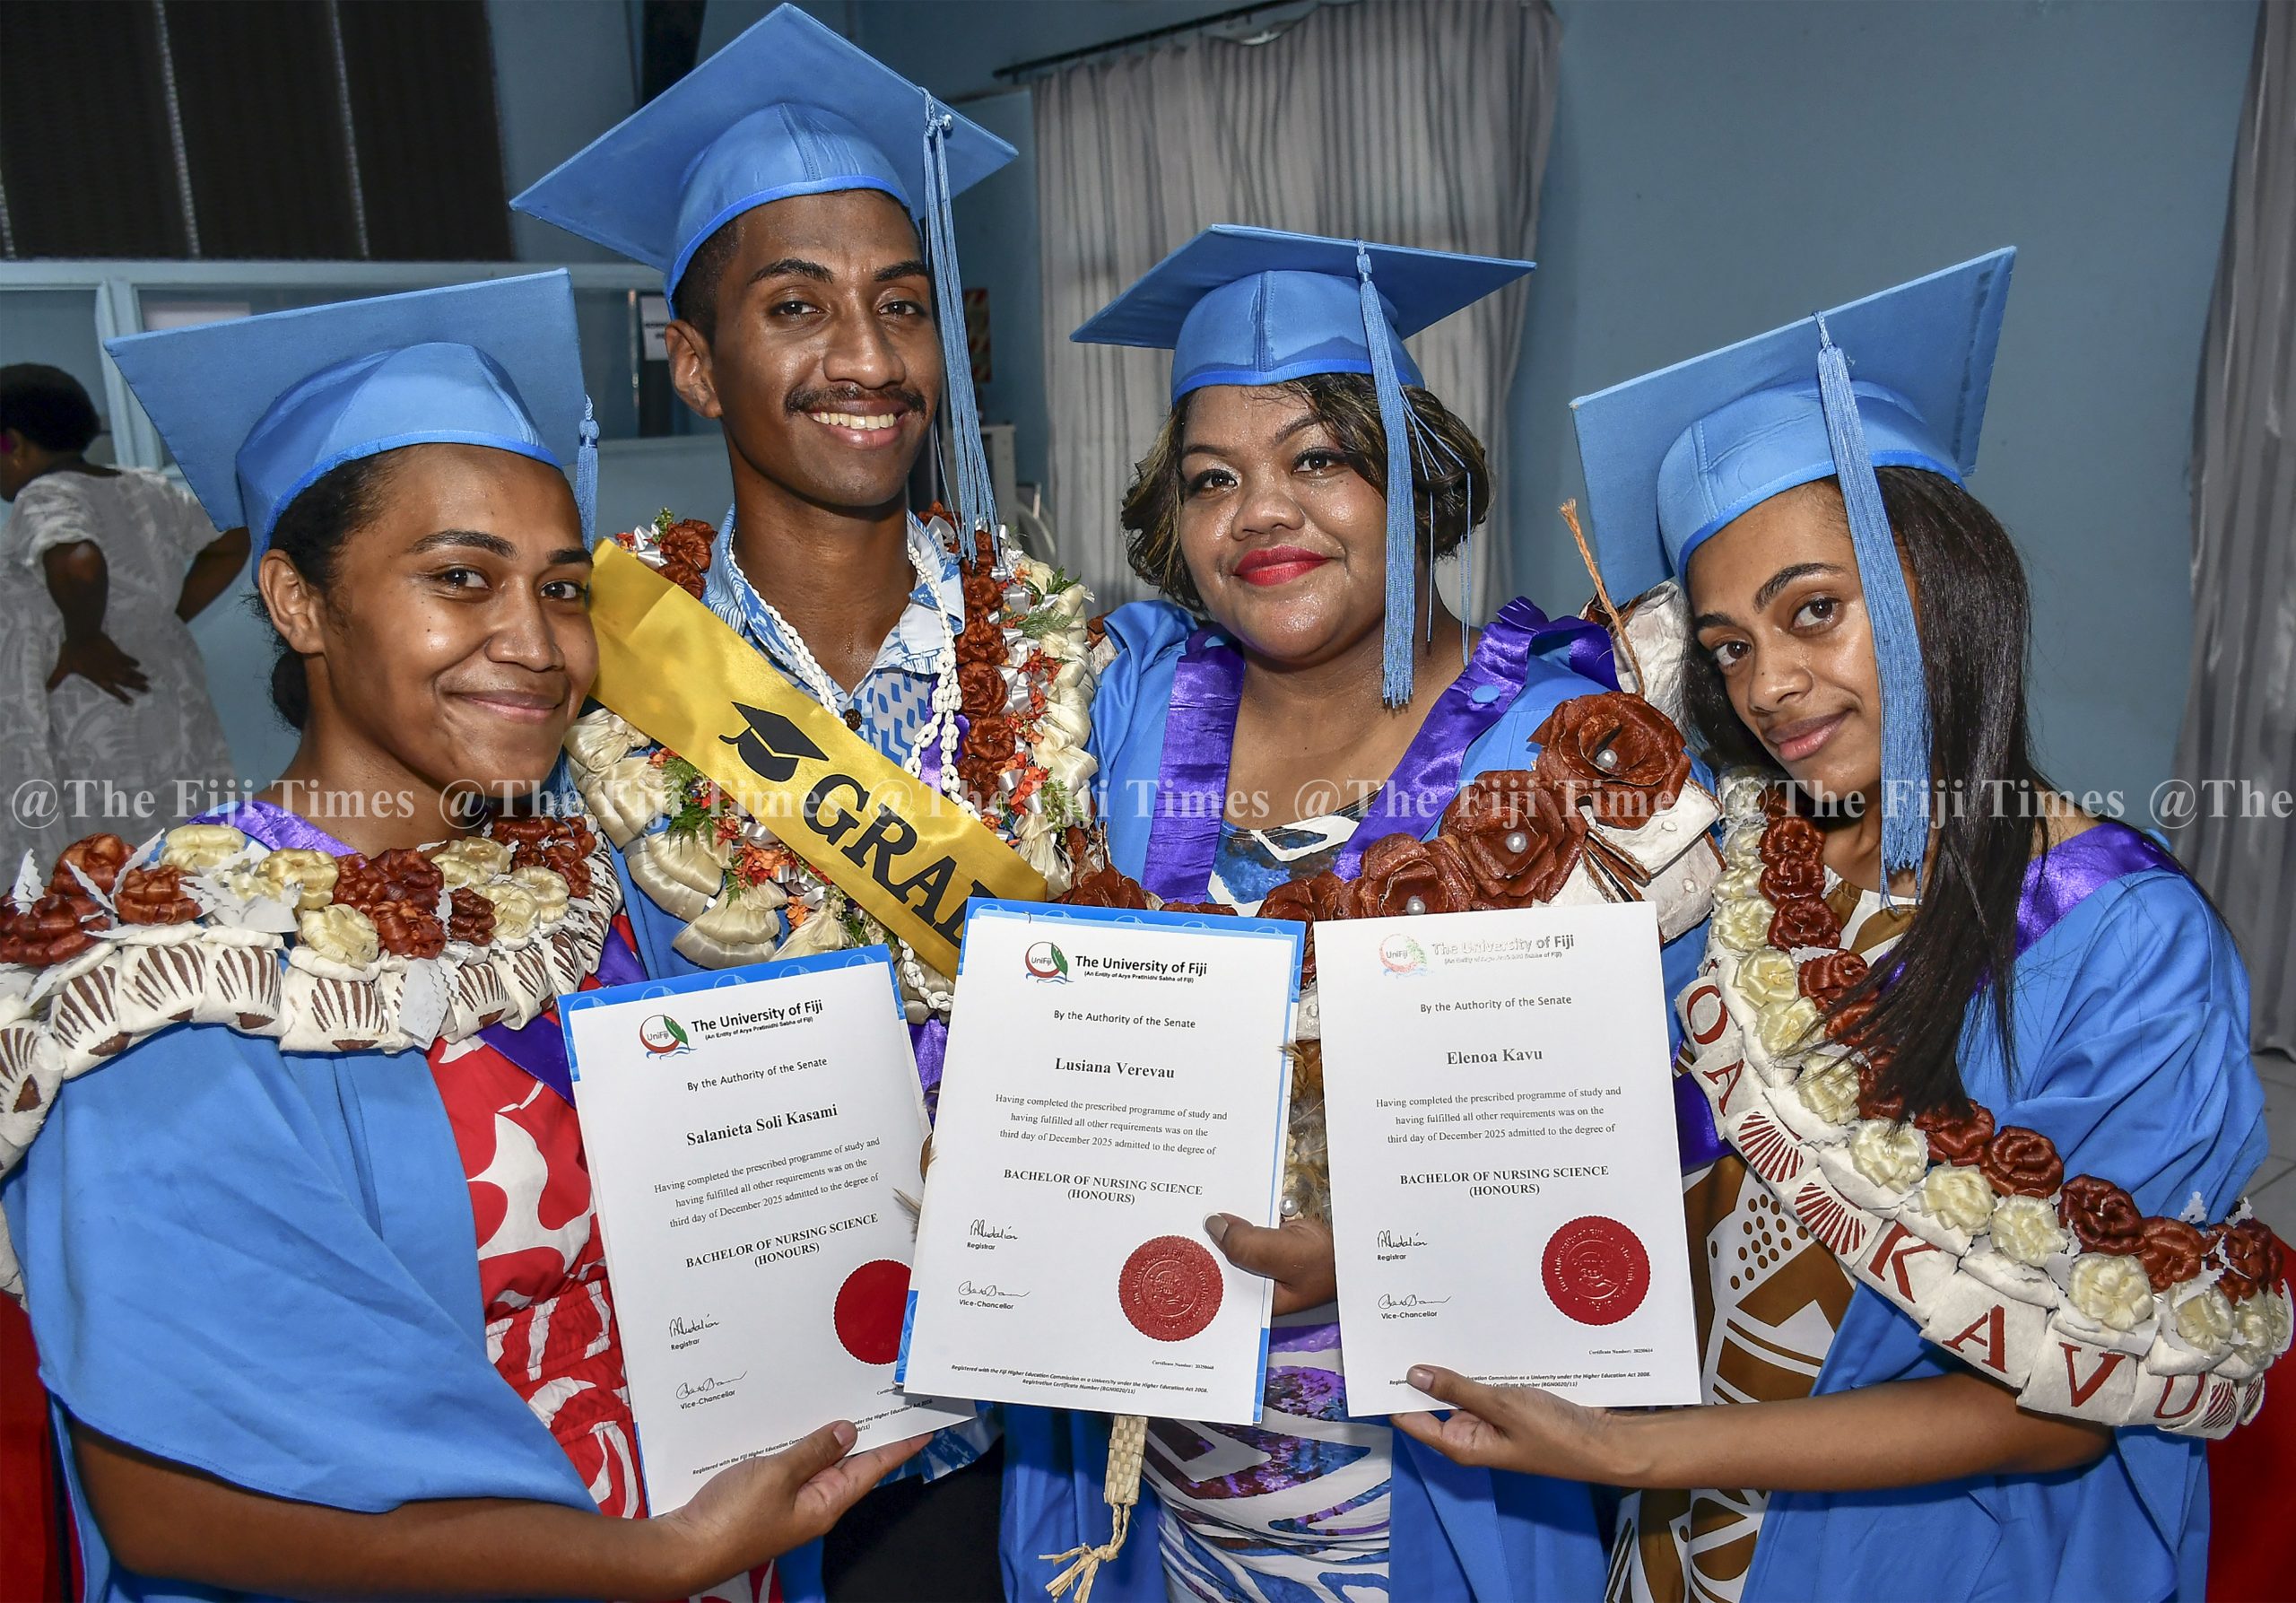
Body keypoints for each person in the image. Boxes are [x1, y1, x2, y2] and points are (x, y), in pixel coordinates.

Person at [0, 272, 915, 1603]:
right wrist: (647, 1560)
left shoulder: (569, 892)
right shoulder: (181, 979)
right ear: (301, 603)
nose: (532, 645)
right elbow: (173, 1508)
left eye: (559, 588)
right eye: (459, 579)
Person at [1396, 251, 2288, 1601]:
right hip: (1679, 1531)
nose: (1772, 684)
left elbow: (2054, 1409)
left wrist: (1635, 1452)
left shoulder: (2124, 942)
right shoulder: (1745, 867)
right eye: (1730, 644)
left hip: (1946, 1554)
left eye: (1815, 610)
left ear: (1942, 578)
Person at [1002, 227, 1723, 1603]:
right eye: (1214, 479)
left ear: (1421, 476)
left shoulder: (1571, 750)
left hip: (1442, 1493)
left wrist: (1393, 1251)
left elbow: (1670, 1145)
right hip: (1148, 1483)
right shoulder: (1124, 706)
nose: (1262, 512)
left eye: (1319, 459)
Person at [511, 12, 1100, 1595]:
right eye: (795, 307)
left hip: (1036, 1418)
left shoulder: (1075, 654)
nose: (866, 358)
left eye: (901, 307)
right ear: (694, 362)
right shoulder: (585, 669)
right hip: (729, 1437)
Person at [0, 363, 244, 845]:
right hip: (163, 686)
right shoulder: (146, 488)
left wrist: (85, 639)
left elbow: (79, 560)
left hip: (90, 697)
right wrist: (164, 618)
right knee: (181, 830)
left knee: (104, 845)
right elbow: (232, 538)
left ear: (12, 443)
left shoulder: (44, 495)